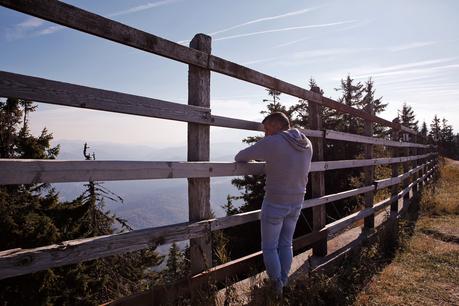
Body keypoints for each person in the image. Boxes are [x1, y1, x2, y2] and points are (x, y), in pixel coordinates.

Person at [234, 112, 313, 294]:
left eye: (267, 129)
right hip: (297, 200)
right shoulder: (307, 143)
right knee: (286, 243)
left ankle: (277, 286)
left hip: (275, 201)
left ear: (277, 126)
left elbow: (240, 156)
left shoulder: (274, 141)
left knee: (269, 246)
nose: (266, 134)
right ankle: (284, 281)